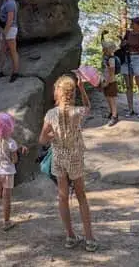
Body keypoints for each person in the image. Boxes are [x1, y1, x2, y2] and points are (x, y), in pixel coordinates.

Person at [38, 75, 97, 252]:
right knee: (81, 196)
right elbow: (88, 107)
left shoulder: (50, 114)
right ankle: (89, 239)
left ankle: (70, 236)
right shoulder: (76, 112)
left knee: (63, 196)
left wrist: (51, 137)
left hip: (59, 158)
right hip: (75, 158)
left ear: (58, 92)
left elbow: (42, 139)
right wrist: (82, 87)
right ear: (71, 93)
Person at [120, 17, 139, 117]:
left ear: (138, 24)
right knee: (128, 85)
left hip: (138, 59)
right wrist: (123, 43)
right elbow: (122, 46)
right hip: (127, 59)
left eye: (132, 23)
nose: (130, 24)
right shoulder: (128, 33)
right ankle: (130, 109)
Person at [101, 42, 120, 126]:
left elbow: (111, 72)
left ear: (108, 50)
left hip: (111, 81)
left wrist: (107, 82)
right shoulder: (105, 58)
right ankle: (111, 112)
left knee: (112, 99)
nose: (103, 49)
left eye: (105, 48)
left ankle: (115, 116)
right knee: (108, 97)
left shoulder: (111, 59)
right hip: (106, 81)